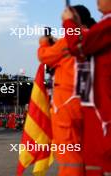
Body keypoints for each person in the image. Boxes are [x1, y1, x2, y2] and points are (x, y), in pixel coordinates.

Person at [38, 5, 96, 176]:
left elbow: (45, 56)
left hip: (66, 105)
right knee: (88, 154)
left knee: (69, 155)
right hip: (90, 103)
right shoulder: (95, 37)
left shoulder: (69, 40)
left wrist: (44, 43)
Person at [62, 1, 111, 175]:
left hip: (99, 103)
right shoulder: (101, 26)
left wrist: (68, 23)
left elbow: (79, 47)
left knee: (97, 155)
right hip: (94, 100)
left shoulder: (107, 25)